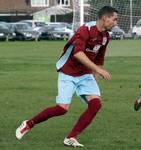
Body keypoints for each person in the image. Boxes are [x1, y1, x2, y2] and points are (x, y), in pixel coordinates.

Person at [16, 6, 118, 147]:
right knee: (62, 109)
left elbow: (99, 59)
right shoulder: (85, 30)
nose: (116, 23)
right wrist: (98, 70)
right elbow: (77, 53)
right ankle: (29, 123)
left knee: (96, 104)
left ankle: (71, 137)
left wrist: (96, 75)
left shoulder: (106, 37)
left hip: (85, 74)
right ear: (104, 18)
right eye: (114, 19)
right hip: (68, 72)